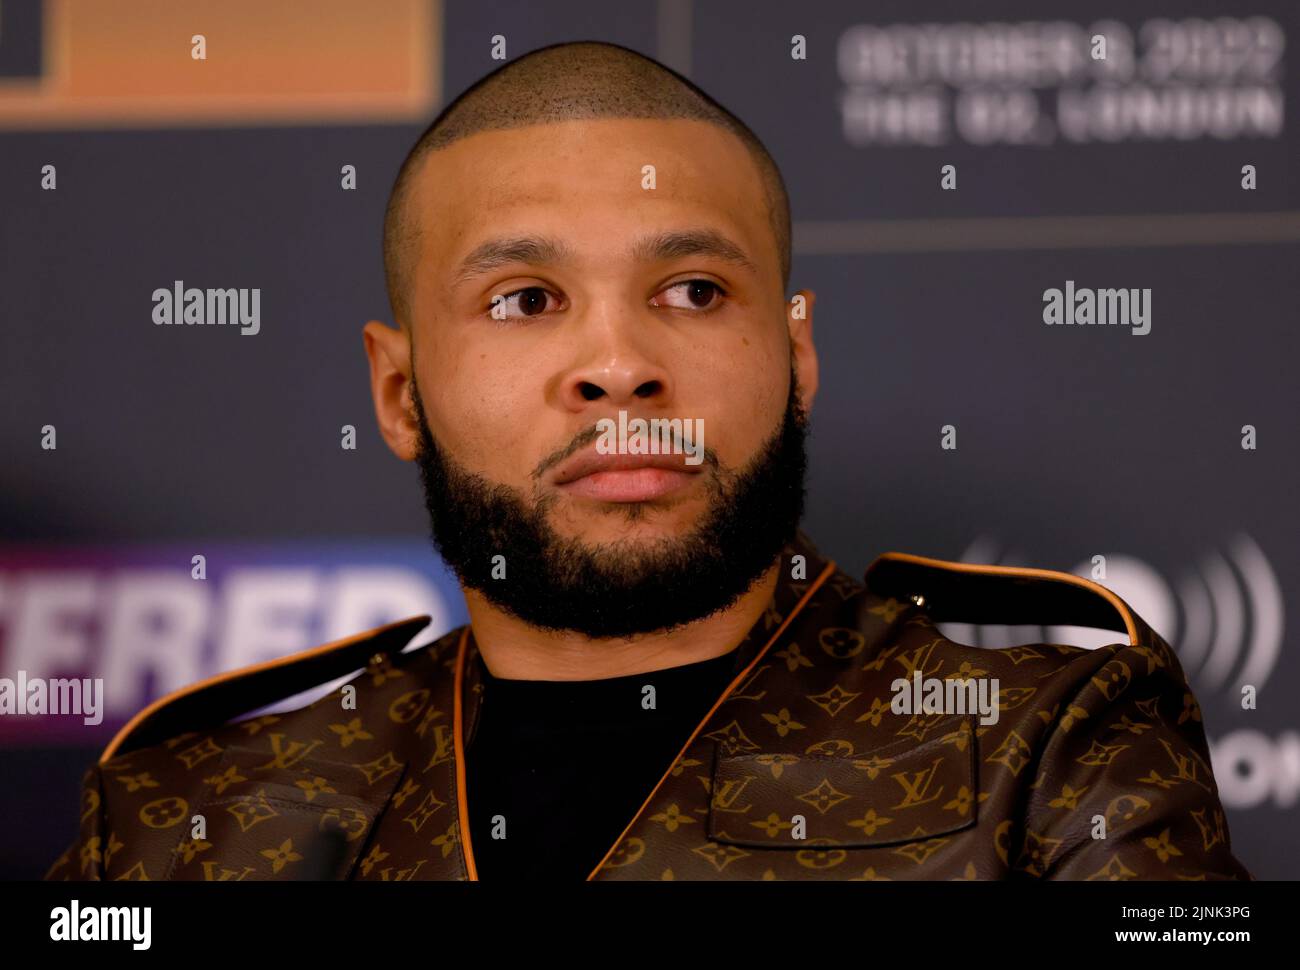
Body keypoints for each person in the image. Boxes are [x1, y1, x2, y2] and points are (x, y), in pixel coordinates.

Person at [46, 41, 1249, 882]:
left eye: (691, 289)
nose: (617, 366)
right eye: (524, 299)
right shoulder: (186, 814)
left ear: (796, 357)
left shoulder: (1050, 749)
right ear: (399, 389)